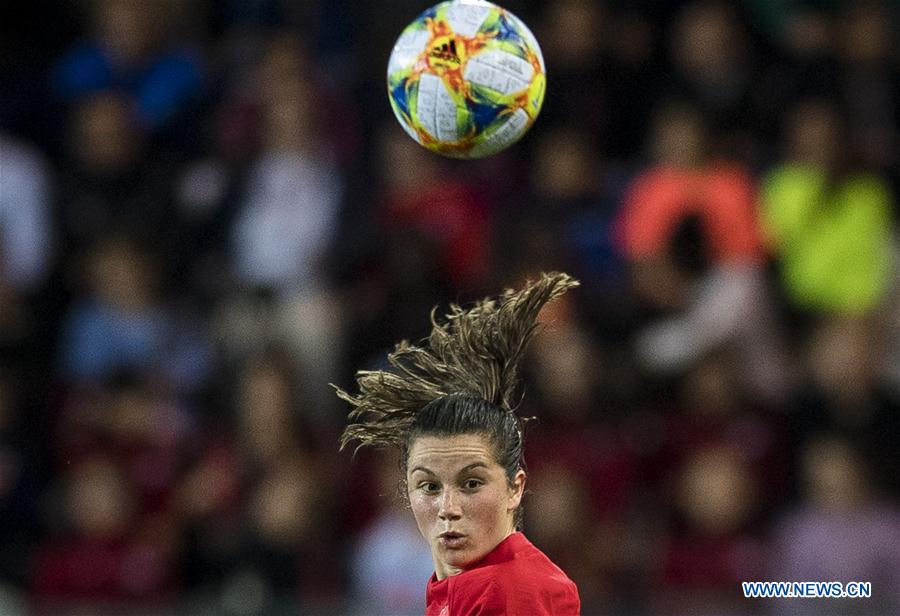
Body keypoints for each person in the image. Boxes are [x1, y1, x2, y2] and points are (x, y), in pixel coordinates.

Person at [336, 272, 581, 615]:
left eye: (471, 483)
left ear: (515, 487)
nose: (447, 507)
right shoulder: (456, 584)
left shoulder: (516, 591)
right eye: (429, 486)